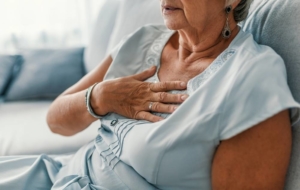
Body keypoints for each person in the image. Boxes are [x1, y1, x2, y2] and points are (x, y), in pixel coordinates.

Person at [1, 0, 300, 189]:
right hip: (59, 173)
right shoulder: (144, 39)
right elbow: (56, 121)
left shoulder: (251, 78)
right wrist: (100, 97)